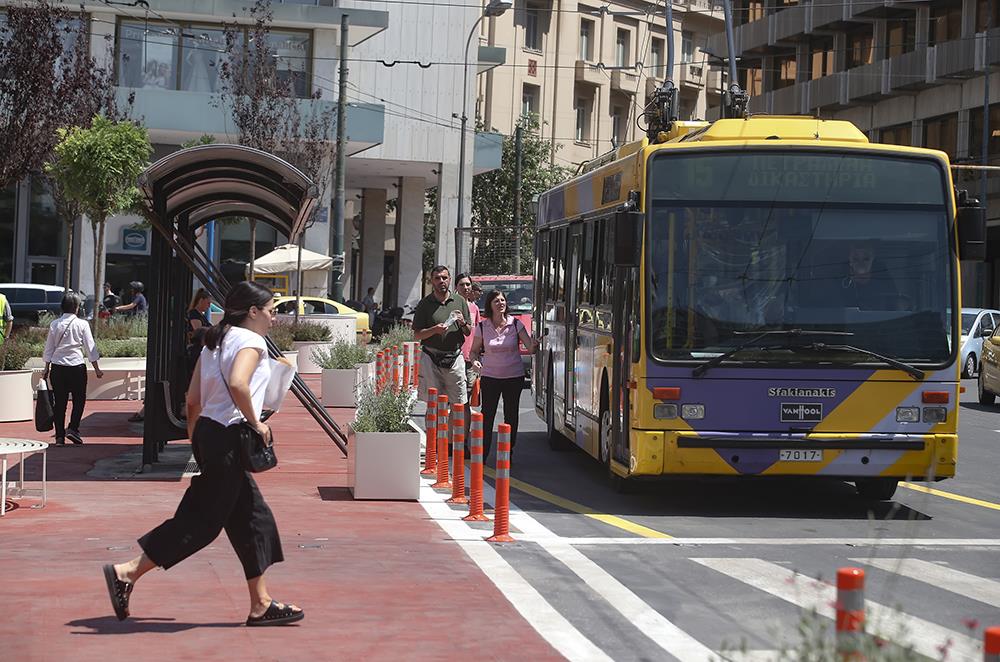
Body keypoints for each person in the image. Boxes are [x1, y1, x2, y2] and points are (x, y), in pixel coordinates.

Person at [102, 281, 303, 626]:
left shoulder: (215, 340)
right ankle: (128, 572)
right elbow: (239, 383)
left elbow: (192, 397)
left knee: (253, 519)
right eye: (271, 311)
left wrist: (198, 440)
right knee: (201, 521)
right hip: (229, 436)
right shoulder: (252, 342)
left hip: (211, 433)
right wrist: (258, 424)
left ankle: (261, 603)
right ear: (253, 312)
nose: (273, 318)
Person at [470, 289, 538, 460]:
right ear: (490, 305)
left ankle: (508, 452)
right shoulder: (482, 327)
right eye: (496, 301)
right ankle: (482, 454)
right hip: (490, 377)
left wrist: (535, 344)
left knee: (511, 416)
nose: (500, 303)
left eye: (502, 300)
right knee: (487, 416)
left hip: (513, 376)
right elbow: (474, 351)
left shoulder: (515, 324)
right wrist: (475, 361)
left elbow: (530, 348)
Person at [41, 293, 104, 445]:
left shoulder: (54, 324)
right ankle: (73, 429)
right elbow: (90, 348)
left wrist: (46, 368)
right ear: (77, 308)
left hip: (58, 367)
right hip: (76, 366)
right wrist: (97, 369)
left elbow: (49, 348)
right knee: (79, 400)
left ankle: (59, 437)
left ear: (62, 307)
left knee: (60, 403)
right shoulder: (82, 324)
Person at [412, 265, 471, 408]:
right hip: (431, 358)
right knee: (434, 404)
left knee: (459, 403)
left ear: (450, 280)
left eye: (444, 278)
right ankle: (434, 431)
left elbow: (468, 331)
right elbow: (417, 334)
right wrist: (434, 330)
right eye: (437, 278)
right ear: (431, 281)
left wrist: (463, 322)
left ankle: (453, 431)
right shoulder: (424, 304)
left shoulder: (460, 301)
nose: (441, 281)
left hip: (454, 358)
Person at [841, 242, 899, 310]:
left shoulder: (884, 282)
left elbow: (895, 306)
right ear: (849, 260)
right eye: (855, 258)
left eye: (866, 258)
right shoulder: (840, 283)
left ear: (873, 258)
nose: (861, 263)